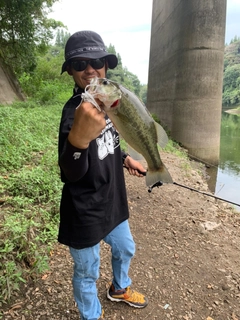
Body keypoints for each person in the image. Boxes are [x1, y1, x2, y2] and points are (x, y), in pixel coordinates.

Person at [58, 30, 148, 320]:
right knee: (87, 271)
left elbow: (108, 143)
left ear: (106, 66)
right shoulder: (75, 112)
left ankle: (119, 288)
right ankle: (91, 316)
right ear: (70, 71)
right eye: (80, 63)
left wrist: (125, 159)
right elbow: (69, 172)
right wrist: (78, 140)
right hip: (83, 209)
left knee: (126, 247)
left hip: (113, 199)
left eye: (97, 61)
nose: (90, 69)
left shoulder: (110, 105)